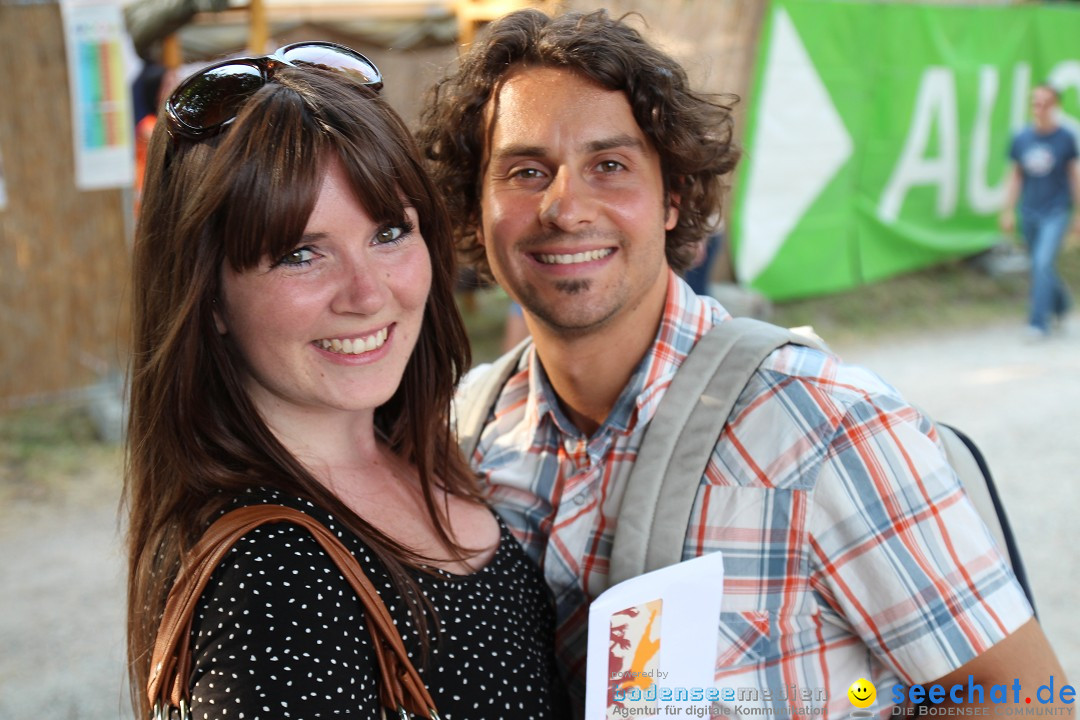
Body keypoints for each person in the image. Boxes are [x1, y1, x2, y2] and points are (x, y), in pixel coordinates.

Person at [417, 9, 1067, 717]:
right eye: (525, 171)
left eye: (610, 165)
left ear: (671, 198)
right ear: (473, 207)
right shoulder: (462, 433)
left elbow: (1022, 698)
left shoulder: (824, 428)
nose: (564, 206)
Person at [125, 42, 564, 719]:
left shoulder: (431, 446)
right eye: (302, 253)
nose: (366, 293)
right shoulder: (270, 581)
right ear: (207, 297)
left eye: (388, 233)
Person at [999, 84, 1080, 339]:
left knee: (1042, 262)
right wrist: (1008, 210)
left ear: (1055, 106)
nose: (1039, 108)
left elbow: (1074, 176)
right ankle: (1063, 304)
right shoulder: (1022, 137)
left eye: (1045, 103)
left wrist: (1078, 213)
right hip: (1029, 211)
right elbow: (1015, 176)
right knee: (1039, 265)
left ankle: (1038, 321)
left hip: (1055, 211)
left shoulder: (1065, 138)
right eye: (1035, 102)